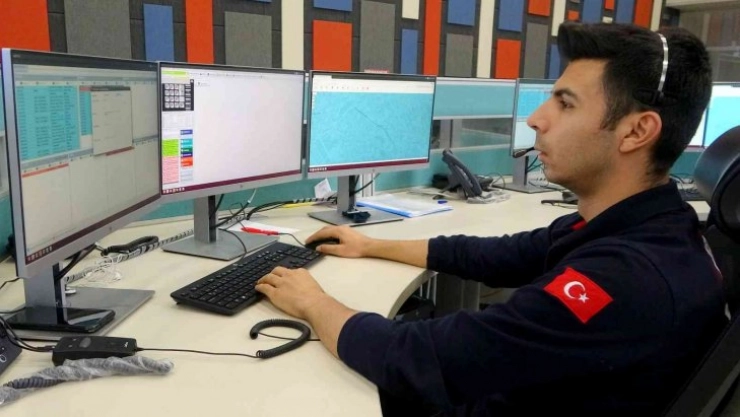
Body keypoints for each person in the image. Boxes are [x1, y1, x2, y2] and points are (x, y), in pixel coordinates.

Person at [256, 22, 727, 416]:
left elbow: (419, 357)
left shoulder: (624, 278)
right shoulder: (644, 222)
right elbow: (500, 255)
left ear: (637, 131)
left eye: (565, 103)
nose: (536, 119)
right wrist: (371, 244)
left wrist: (314, 302)